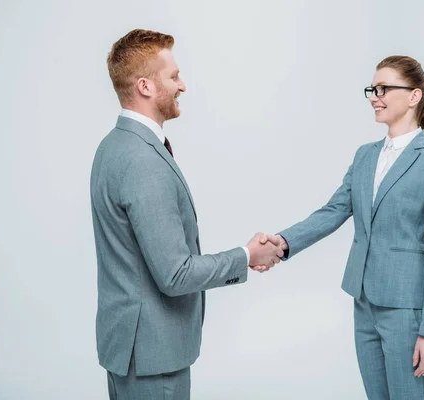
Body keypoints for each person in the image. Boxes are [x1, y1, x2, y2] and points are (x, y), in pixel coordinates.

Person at [90, 29, 283, 399]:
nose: (183, 86)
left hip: (128, 352)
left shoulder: (112, 146)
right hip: (153, 359)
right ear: (145, 86)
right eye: (174, 76)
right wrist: (246, 256)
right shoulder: (143, 160)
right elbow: (175, 275)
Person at [260, 55, 424, 400]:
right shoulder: (365, 156)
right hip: (364, 301)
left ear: (414, 96)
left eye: (383, 88)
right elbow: (334, 211)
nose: (374, 96)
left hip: (406, 309)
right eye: (372, 88)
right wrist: (282, 242)